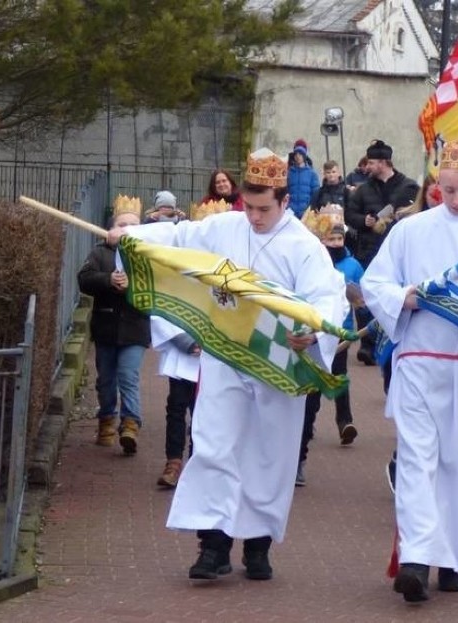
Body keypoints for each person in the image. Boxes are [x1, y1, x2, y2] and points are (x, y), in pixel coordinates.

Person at [106, 148, 346, 582]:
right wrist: (131, 236)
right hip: (225, 358)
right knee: (214, 445)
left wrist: (315, 332)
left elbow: (326, 299)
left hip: (277, 366)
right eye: (249, 207)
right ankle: (212, 546)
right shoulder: (225, 226)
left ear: (285, 201)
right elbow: (179, 237)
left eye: (263, 209)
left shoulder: (305, 249)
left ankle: (257, 546)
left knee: (269, 454)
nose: (254, 217)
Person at [362, 140, 458, 603]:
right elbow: (376, 282)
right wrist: (402, 298)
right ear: (435, 184)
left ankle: (453, 558)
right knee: (417, 460)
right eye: (447, 190)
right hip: (418, 362)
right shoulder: (410, 231)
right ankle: (414, 558)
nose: (454, 200)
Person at [150, 199, 231, 488]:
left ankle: (199, 462)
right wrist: (185, 340)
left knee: (206, 410)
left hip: (214, 354)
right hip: (184, 352)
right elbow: (163, 305)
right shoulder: (178, 269)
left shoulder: (226, 272)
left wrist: (214, 340)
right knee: (176, 407)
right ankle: (173, 461)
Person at [77, 195, 150, 455]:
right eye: (122, 224)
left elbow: (158, 286)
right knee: (106, 380)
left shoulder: (147, 255)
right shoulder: (100, 253)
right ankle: (106, 419)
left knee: (128, 376)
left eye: (134, 224)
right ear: (111, 228)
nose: (128, 229)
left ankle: (131, 424)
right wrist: (108, 280)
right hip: (106, 327)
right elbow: (84, 279)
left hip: (135, 327)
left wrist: (135, 286)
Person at [297, 222, 363, 486]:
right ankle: (298, 446)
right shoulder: (305, 261)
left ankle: (343, 422)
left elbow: (362, 295)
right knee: (304, 396)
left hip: (338, 335)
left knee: (338, 378)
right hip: (299, 339)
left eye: (338, 238)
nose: (334, 243)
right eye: (329, 238)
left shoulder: (351, 265)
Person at [344, 139, 419, 365]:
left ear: (385, 162)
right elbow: (349, 215)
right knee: (365, 296)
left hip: (399, 253)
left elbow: (418, 213)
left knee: (394, 296)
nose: (368, 166)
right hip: (369, 250)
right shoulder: (364, 189)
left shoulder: (408, 187)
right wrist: (363, 221)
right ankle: (368, 344)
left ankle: (388, 340)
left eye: (373, 162)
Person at [287, 143, 319, 218]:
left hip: (306, 213)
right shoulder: (289, 173)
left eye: (300, 154)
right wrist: (287, 207)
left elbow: (315, 193)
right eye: (296, 154)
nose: (298, 156)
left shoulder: (312, 173)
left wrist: (311, 208)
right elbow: (285, 191)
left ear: (304, 156)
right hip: (290, 213)